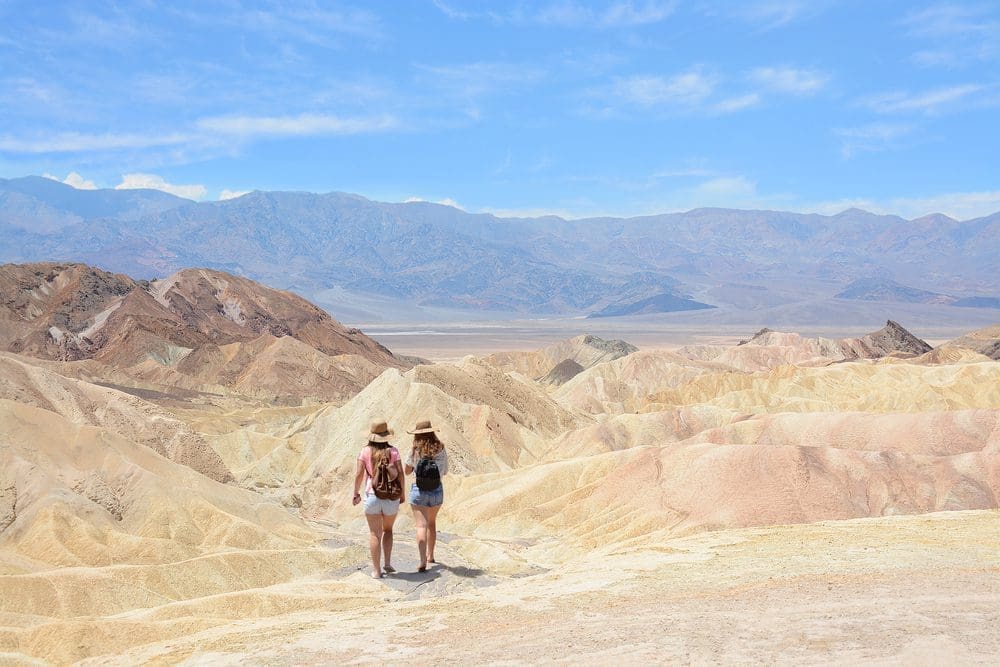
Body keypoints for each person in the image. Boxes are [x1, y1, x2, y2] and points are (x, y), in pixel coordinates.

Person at [352, 419, 405, 578]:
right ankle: (387, 563)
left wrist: (356, 493)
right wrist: (401, 494)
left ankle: (376, 571)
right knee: (388, 530)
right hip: (391, 497)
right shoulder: (394, 451)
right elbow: (401, 474)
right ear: (386, 435)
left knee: (375, 534)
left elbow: (359, 474)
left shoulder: (365, 451)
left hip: (372, 496)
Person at [404, 419, 449, 572]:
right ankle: (431, 555)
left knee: (421, 526)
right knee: (432, 523)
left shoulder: (415, 450)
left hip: (419, 491)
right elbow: (445, 470)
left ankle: (422, 560)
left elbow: (407, 471)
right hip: (437, 490)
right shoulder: (441, 448)